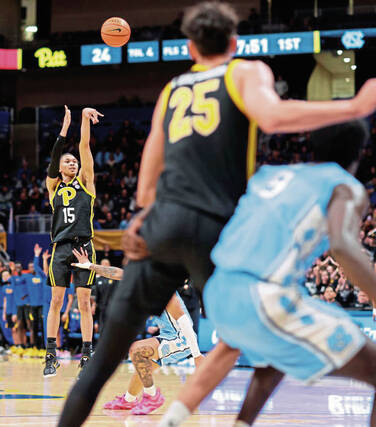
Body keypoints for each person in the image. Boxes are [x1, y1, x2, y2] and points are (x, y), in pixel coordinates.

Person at [58, 2, 376, 424]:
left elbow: (150, 171)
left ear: (190, 46)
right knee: (240, 337)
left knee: (99, 367)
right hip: (217, 230)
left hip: (163, 224)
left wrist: (140, 217)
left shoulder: (173, 88)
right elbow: (274, 116)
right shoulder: (245, 72)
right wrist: (353, 107)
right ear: (234, 42)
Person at [161, 121, 376, 426]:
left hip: (219, 289)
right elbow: (342, 244)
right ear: (359, 153)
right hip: (262, 292)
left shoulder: (275, 173)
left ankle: (228, 422)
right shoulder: (345, 186)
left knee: (276, 352)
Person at [71, 248, 204, 415]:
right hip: (168, 336)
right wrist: (90, 265)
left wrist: (197, 355)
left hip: (182, 339)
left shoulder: (168, 293)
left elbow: (185, 325)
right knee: (143, 368)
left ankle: (152, 396)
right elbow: (117, 273)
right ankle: (129, 400)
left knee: (137, 351)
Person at [44, 105, 102, 378]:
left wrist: (83, 119)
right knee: (56, 301)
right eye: (68, 162)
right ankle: (51, 355)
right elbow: (56, 157)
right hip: (60, 247)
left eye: (74, 162)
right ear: (60, 168)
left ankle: (88, 353)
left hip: (83, 247)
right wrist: (63, 129)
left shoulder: (86, 182)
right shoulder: (53, 187)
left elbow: (85, 146)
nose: (73, 163)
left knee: (83, 301)